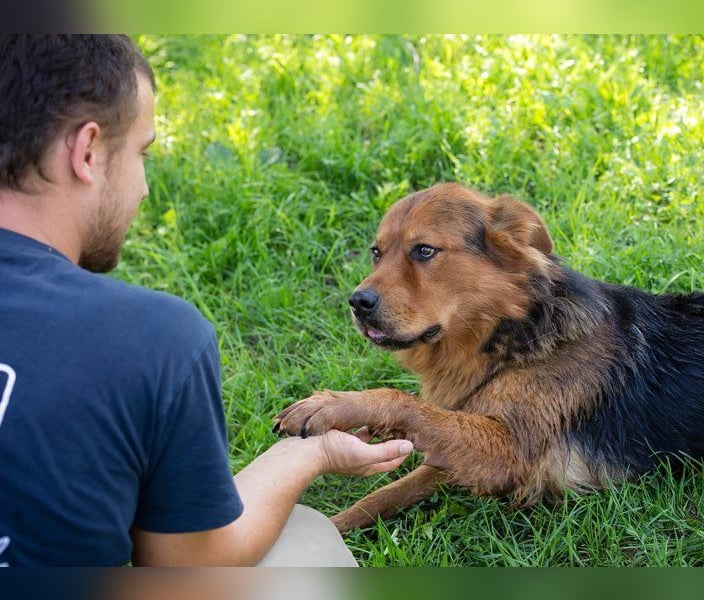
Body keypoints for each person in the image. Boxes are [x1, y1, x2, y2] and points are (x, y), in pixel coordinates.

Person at [0, 34, 413, 567]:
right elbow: (194, 564)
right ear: (87, 152)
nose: (144, 188)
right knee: (303, 540)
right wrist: (315, 452)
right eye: (141, 153)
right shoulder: (149, 338)